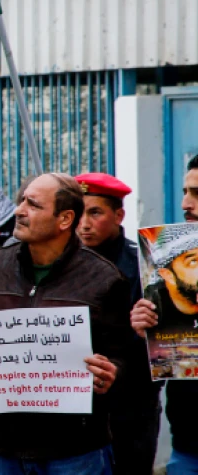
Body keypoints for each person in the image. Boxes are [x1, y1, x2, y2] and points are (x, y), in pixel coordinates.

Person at [0, 173, 133, 474]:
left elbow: (124, 357)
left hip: (75, 451)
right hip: (4, 449)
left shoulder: (104, 278)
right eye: (22, 201)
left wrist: (111, 372)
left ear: (65, 219)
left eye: (33, 205)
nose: (19, 210)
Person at [75, 172, 160, 475]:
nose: (84, 224)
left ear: (119, 215)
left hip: (132, 405)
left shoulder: (145, 265)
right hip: (80, 406)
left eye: (95, 213)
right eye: (79, 213)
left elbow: (163, 344)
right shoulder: (64, 265)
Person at [131, 155, 198, 474]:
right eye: (185, 192)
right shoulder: (166, 268)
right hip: (187, 445)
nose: (185, 203)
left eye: (197, 193)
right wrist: (145, 330)